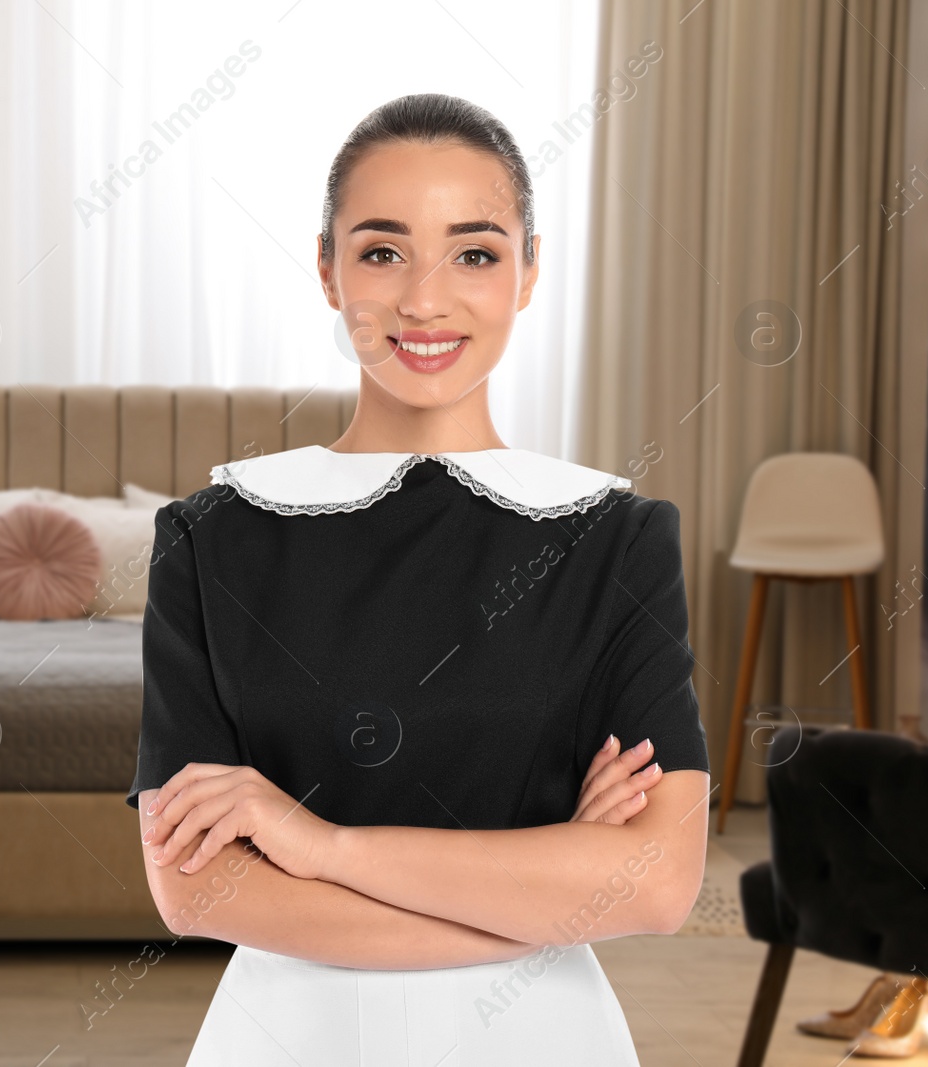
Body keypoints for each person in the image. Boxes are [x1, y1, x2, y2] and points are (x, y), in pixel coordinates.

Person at [125, 93, 711, 1065]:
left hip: (541, 1040)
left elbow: (655, 880)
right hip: (285, 1041)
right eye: (382, 250)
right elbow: (199, 889)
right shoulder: (209, 539)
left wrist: (320, 846)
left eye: (475, 252)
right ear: (327, 270)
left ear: (529, 271)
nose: (424, 299)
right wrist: (550, 884)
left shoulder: (616, 538)